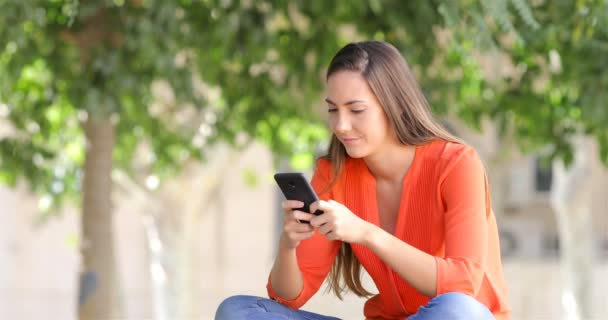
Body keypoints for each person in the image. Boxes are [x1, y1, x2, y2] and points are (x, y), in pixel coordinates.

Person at [215, 40, 511, 320]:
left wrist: (367, 233)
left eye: (356, 110)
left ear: (395, 105)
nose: (341, 126)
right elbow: (288, 298)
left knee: (458, 310)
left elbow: (462, 284)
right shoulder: (335, 173)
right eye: (333, 110)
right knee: (237, 311)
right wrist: (288, 244)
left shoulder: (457, 164)